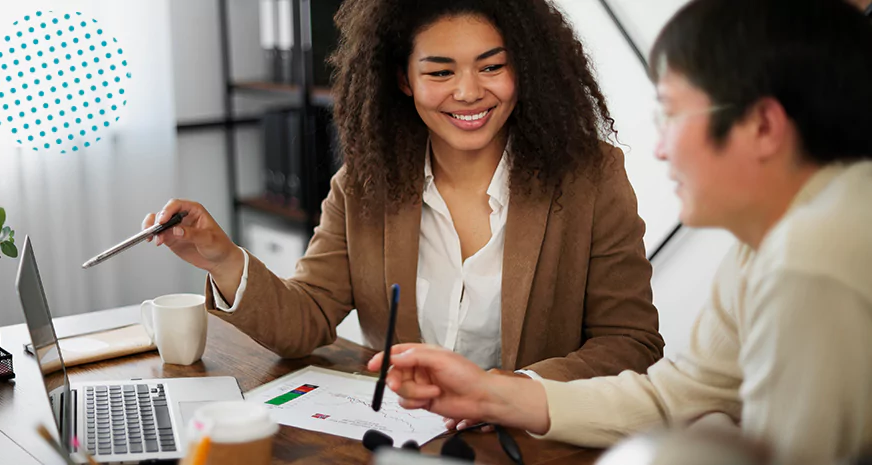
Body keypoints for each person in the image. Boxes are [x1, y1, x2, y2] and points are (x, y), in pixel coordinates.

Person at [368, 0, 872, 463]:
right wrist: (488, 393)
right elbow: (676, 396)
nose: (660, 148)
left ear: (763, 125)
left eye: (671, 113)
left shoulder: (808, 258)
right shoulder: (769, 243)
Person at [143, 0, 664, 383]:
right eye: (440, 71)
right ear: (404, 79)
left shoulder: (590, 177)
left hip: (532, 442)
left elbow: (630, 340)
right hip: (407, 437)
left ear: (523, 68)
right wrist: (223, 257)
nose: (468, 91)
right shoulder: (364, 187)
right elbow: (309, 318)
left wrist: (509, 392)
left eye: (492, 66)